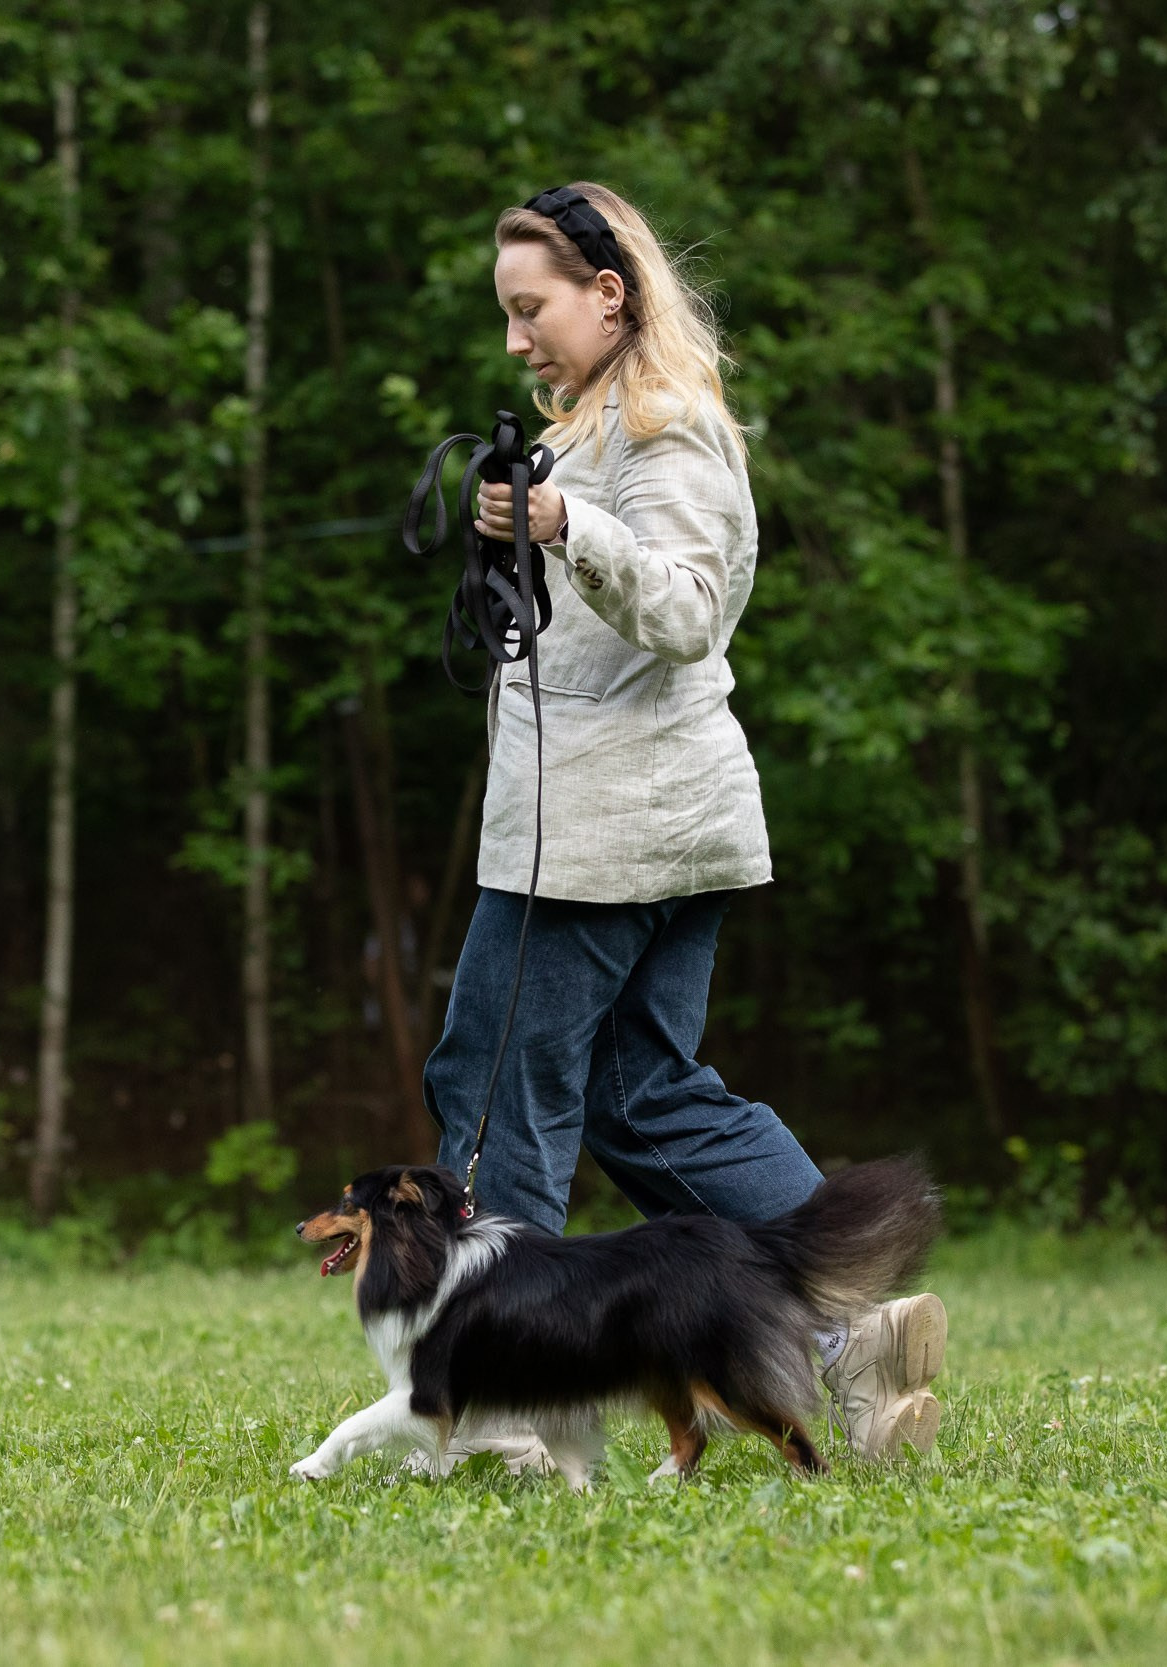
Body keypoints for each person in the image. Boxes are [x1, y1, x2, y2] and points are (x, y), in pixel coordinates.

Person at [417, 182, 946, 1468]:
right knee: (644, 1100)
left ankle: (511, 1400)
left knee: (495, 1094)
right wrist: (535, 521)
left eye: (530, 309)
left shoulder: (668, 432)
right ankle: (847, 1334)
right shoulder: (600, 431)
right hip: (646, 827)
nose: (514, 339)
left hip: (600, 840)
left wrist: (567, 523)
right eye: (505, 315)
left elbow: (689, 610)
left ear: (608, 294)